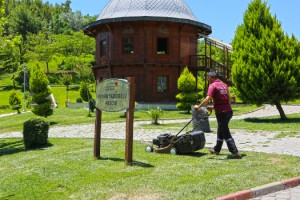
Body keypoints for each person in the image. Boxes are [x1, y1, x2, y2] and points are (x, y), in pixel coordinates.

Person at [194, 71, 241, 159]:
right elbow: (225, 101)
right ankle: (216, 149)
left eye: (208, 77)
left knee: (225, 132)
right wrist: (212, 107)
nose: (208, 79)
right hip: (228, 111)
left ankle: (235, 152)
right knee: (221, 130)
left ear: (211, 77)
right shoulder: (224, 85)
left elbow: (208, 98)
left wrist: (199, 107)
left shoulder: (212, 86)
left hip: (222, 113)